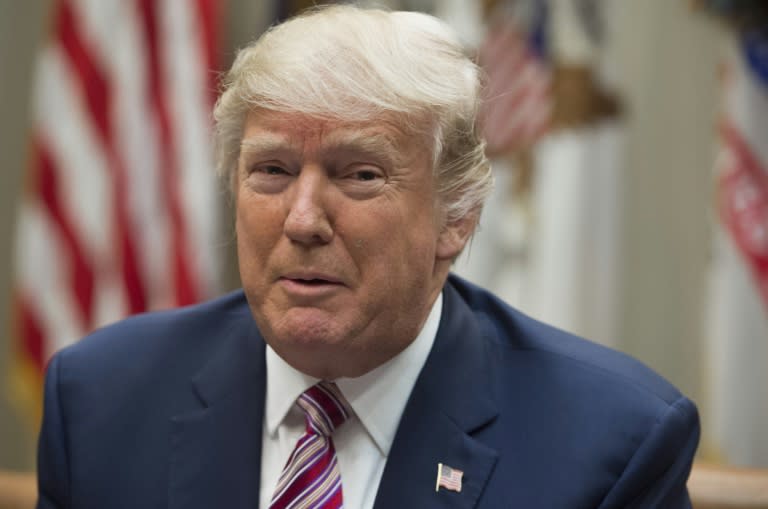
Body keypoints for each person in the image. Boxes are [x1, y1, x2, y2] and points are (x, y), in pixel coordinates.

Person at [36, 4, 699, 508]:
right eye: (271, 169)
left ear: (457, 217)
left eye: (360, 175)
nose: (302, 220)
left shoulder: (613, 447)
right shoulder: (101, 403)